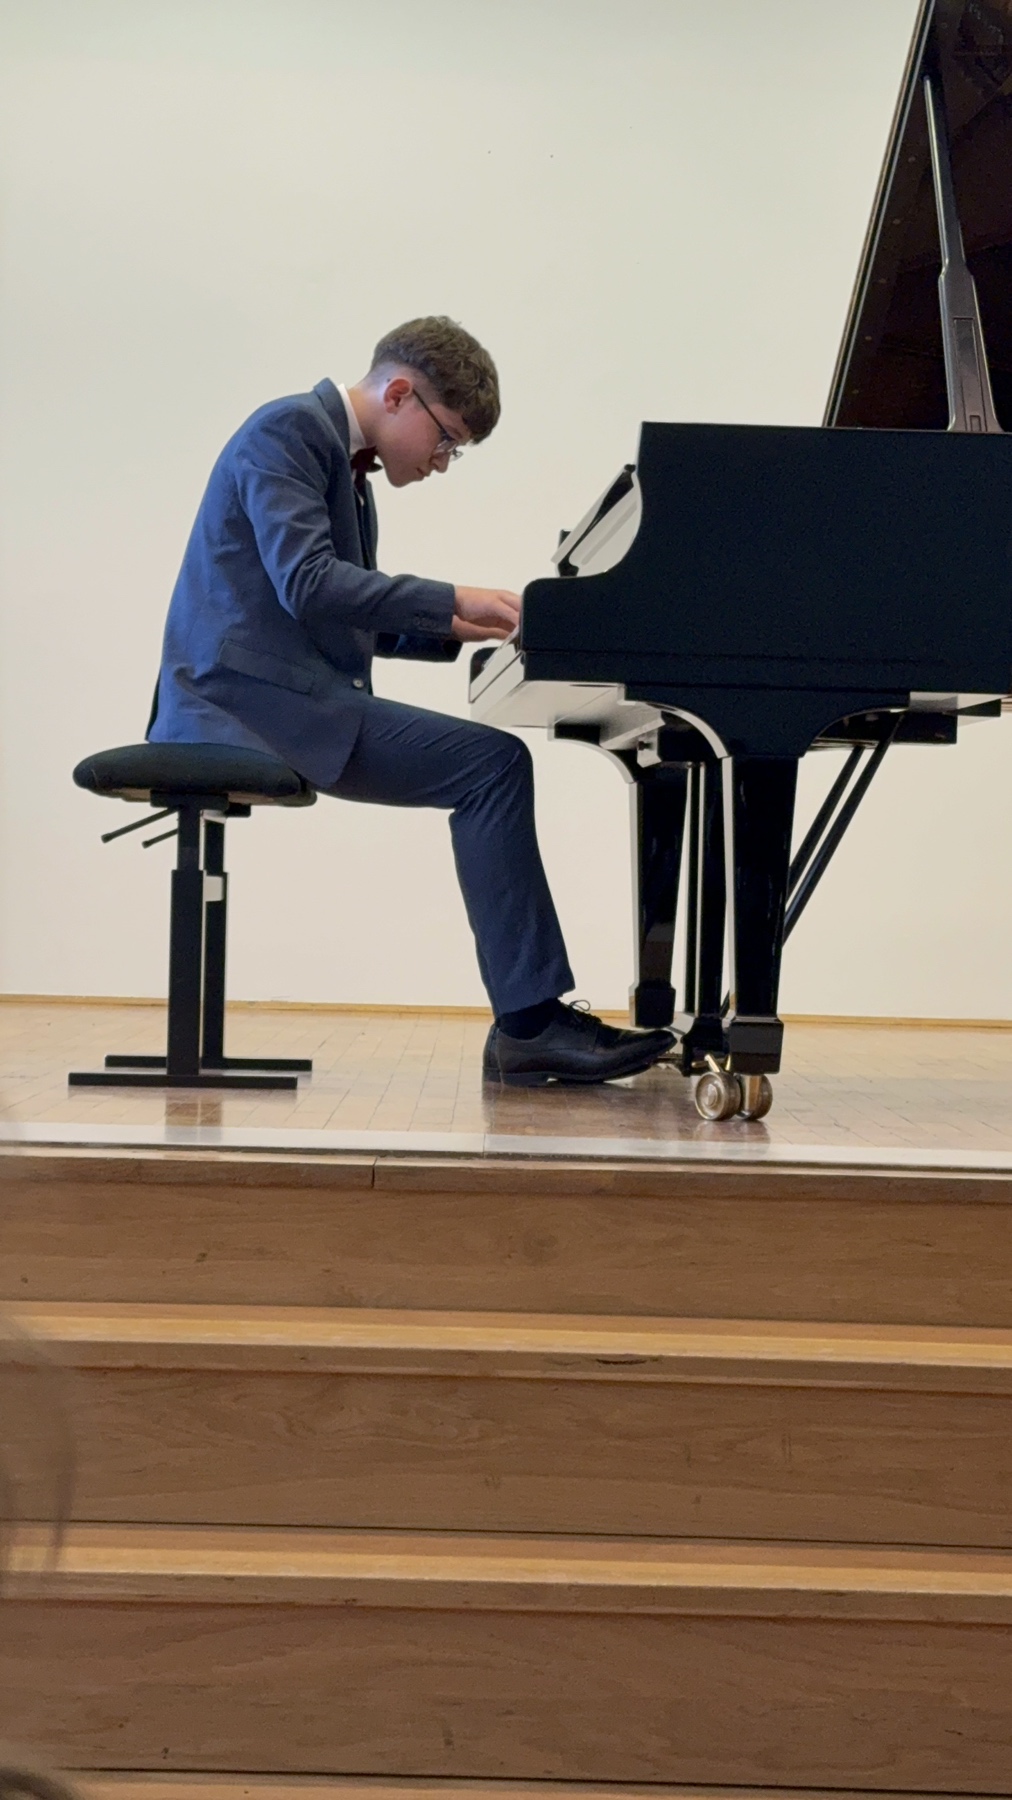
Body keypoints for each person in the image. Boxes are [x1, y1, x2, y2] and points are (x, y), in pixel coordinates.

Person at [148, 315, 673, 1085]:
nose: (443, 462)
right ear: (399, 394)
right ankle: (529, 1027)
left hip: (280, 699)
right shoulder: (287, 432)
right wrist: (451, 598)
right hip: (241, 706)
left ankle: (528, 1023)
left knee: (490, 766)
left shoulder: (343, 471)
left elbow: (341, 610)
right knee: (492, 766)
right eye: (447, 439)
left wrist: (460, 626)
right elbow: (311, 584)